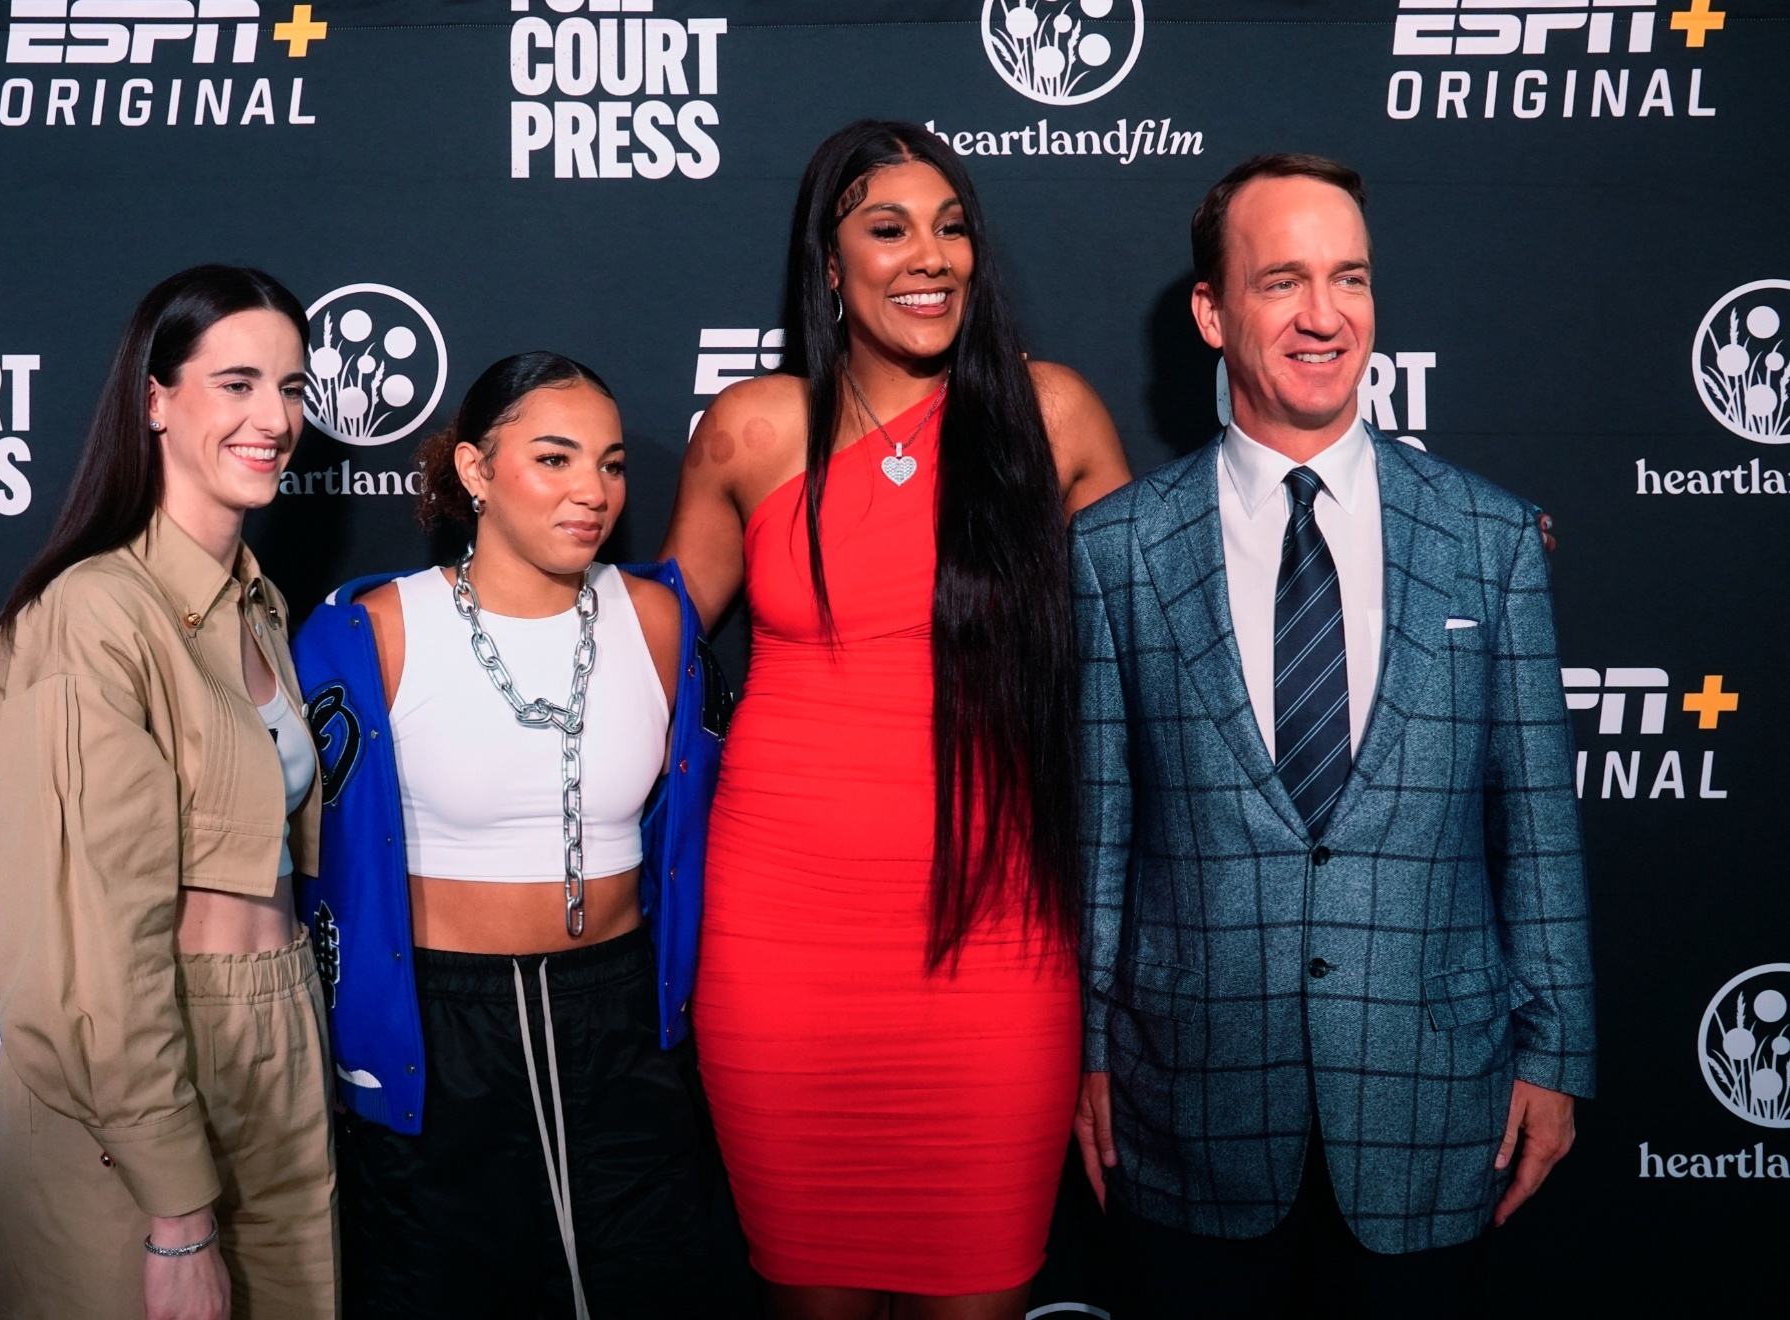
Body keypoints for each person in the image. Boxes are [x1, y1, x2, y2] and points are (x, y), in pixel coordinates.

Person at [1068, 154, 1596, 1317]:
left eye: (1350, 278)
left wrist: (1556, 1054)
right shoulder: (1117, 551)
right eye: (1282, 282)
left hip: (1433, 1105)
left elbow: (1538, 822)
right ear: (1212, 312)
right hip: (1187, 1112)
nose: (1325, 315)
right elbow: (1102, 831)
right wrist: (1088, 1052)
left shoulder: (1490, 538)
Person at [659, 120, 1130, 1319]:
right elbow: (638, 649)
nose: (931, 257)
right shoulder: (755, 429)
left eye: (952, 225)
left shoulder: (1050, 415)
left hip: (997, 938)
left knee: (976, 1294)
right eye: (888, 228)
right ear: (829, 265)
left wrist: (1410, 548)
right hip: (781, 949)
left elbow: (1172, 620)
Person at [290, 352, 729, 1318]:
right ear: (475, 472)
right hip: (440, 1030)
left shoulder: (656, 619)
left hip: (622, 1024)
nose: (593, 493)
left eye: (612, 465)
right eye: (556, 459)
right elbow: (272, 824)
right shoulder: (374, 631)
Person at [0, 265, 335, 1319]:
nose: (275, 419)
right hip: (149, 1053)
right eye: (238, 383)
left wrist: (25, 834)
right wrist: (177, 1216)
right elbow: (102, 948)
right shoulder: (96, 610)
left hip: (281, 1032)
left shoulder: (259, 604)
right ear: (156, 399)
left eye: (292, 389)